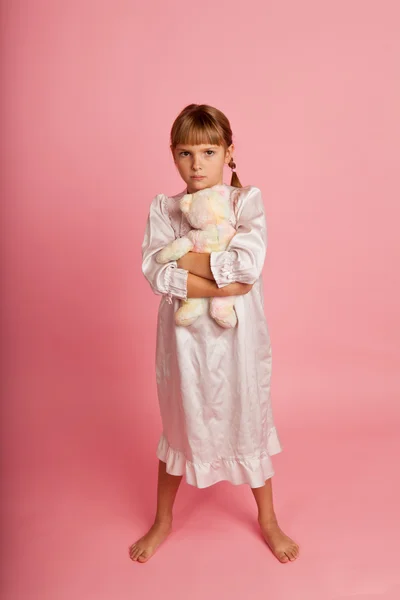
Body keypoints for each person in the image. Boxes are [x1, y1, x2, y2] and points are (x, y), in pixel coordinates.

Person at [129, 104, 299, 564]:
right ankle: (163, 519)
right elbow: (156, 272)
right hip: (184, 346)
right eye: (185, 153)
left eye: (208, 151)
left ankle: (267, 518)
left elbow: (245, 269)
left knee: (246, 419)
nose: (197, 164)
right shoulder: (164, 210)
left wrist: (181, 258)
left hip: (238, 343)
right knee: (181, 423)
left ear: (228, 151)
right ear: (172, 155)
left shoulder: (246, 203)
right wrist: (211, 274)